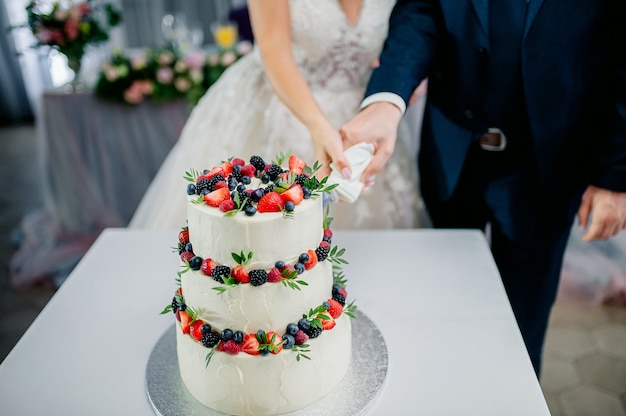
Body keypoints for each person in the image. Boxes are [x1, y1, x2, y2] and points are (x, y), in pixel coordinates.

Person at [340, 0, 626, 375]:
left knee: (523, 329)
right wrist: (387, 101)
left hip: (549, 162)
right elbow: (420, 13)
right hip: (454, 153)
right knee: (446, 311)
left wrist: (614, 177)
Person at [129, 0, 423, 230]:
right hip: (281, 102)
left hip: (364, 110)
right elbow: (274, 48)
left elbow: (418, 31)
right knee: (264, 232)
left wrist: (400, 87)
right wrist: (318, 126)